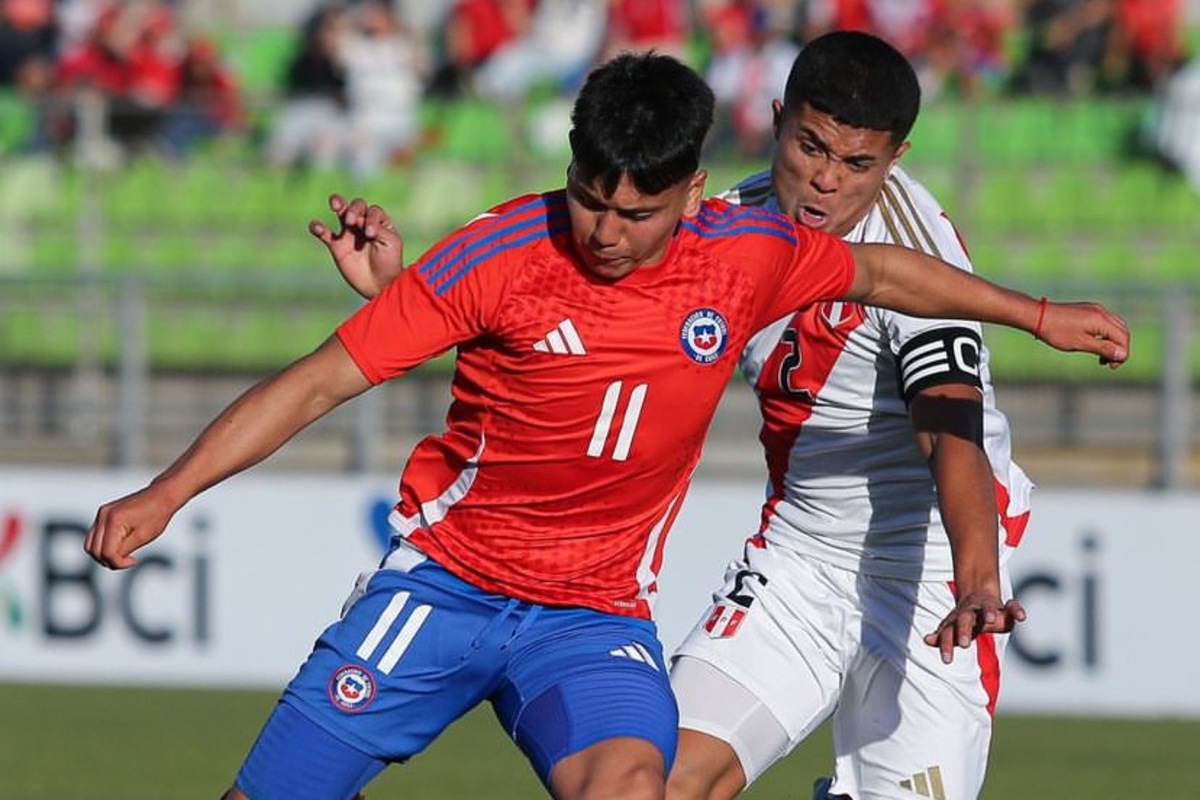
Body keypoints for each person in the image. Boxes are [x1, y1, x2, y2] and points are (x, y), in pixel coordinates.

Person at [87, 52, 1128, 800]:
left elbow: (903, 295)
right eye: (592, 202)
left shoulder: (749, 252)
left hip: (599, 614)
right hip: (450, 584)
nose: (609, 233)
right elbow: (318, 382)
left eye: (638, 215)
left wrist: (1038, 314)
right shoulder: (500, 252)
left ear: (692, 190)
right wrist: (164, 491)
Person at [665, 31, 1033, 800]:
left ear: (894, 158)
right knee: (655, 783)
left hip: (931, 571)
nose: (825, 181)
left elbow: (949, 425)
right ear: (777, 118)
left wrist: (976, 578)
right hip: (798, 558)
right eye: (811, 147)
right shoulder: (726, 228)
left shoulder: (915, 250)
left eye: (856, 164)